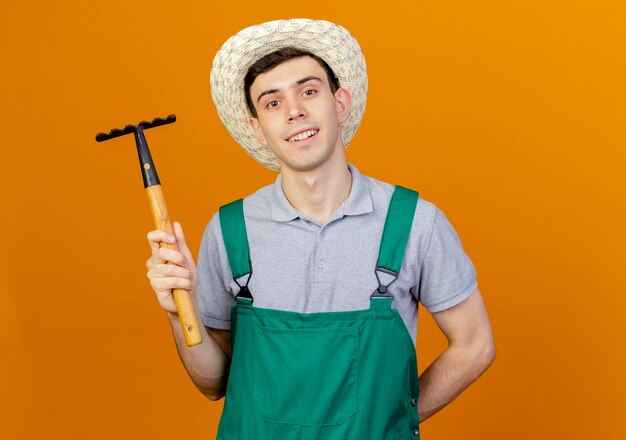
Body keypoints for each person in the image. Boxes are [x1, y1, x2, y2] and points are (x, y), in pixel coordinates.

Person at [146, 18, 495, 439]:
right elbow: (213, 383)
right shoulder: (229, 229)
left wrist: (397, 419)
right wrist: (175, 309)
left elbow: (475, 345)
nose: (294, 111)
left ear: (340, 102)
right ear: (258, 128)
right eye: (272, 103)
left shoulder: (414, 221)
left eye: (308, 91)